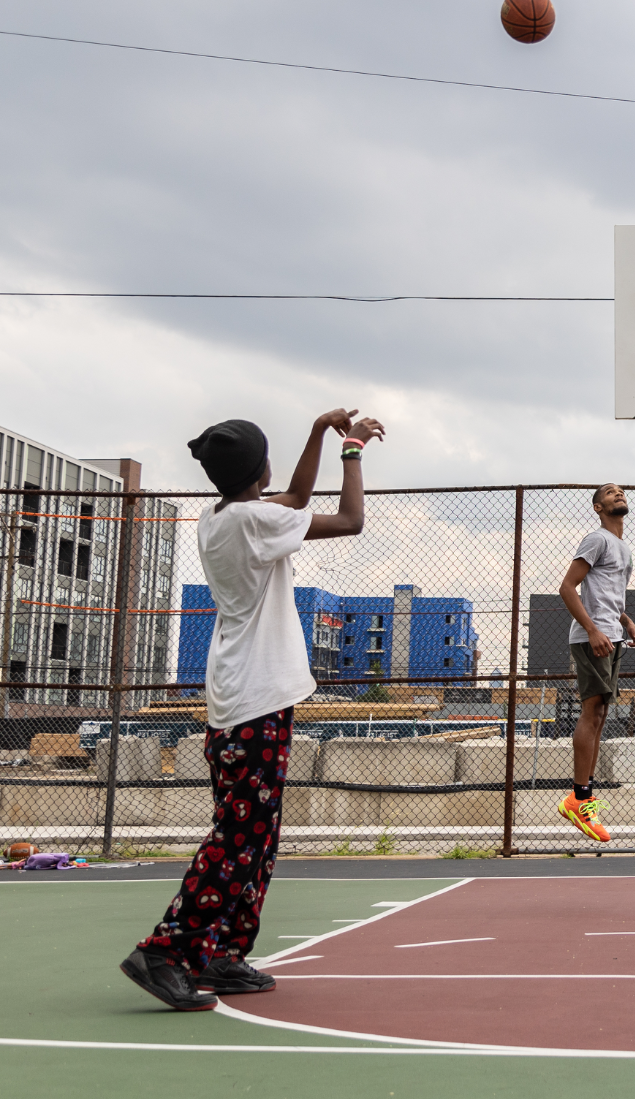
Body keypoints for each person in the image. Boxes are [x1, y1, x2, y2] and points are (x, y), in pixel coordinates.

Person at [120, 408, 383, 1012]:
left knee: (256, 836)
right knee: (240, 835)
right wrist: (351, 451)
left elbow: (291, 495)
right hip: (255, 700)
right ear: (256, 468)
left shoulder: (223, 517)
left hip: (241, 694)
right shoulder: (254, 521)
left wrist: (320, 433)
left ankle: (221, 951)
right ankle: (168, 950)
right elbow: (349, 518)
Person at [556, 483, 635, 843]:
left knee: (602, 713)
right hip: (592, 638)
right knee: (592, 712)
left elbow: (608, 594)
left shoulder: (622, 548)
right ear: (597, 507)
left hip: (612, 635)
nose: (618, 494)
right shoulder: (597, 539)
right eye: (609, 492)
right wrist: (592, 630)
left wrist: (626, 622)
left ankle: (584, 796)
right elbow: (567, 587)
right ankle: (579, 798)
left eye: (621, 491)